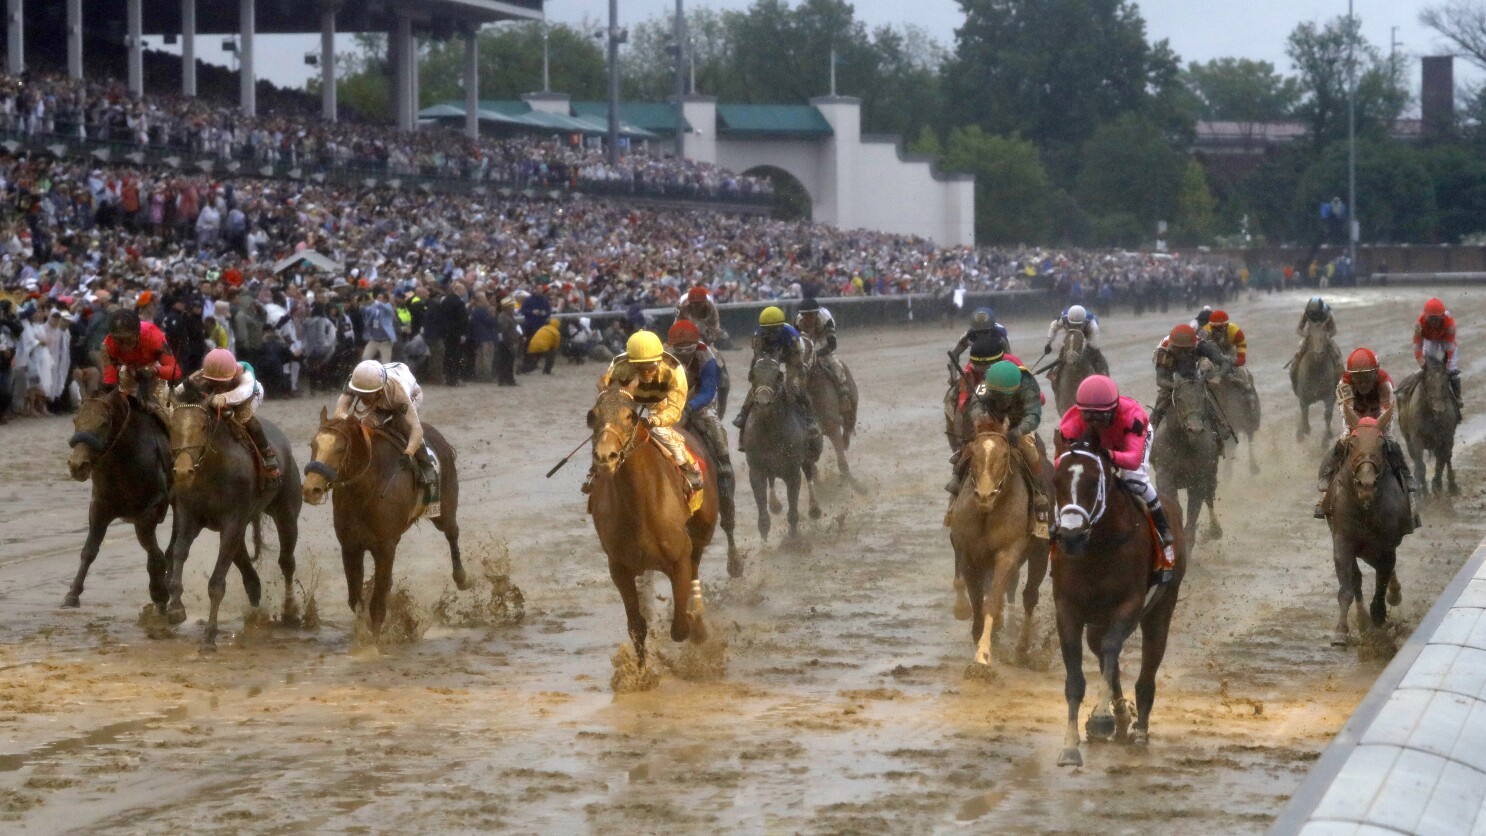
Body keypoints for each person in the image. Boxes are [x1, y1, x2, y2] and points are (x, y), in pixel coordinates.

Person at [1058, 375, 1176, 584]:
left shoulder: (1133, 417)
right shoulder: (1072, 421)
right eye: (1088, 416)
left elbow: (1132, 460)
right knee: (1071, 484)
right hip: (1099, 447)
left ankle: (1163, 531)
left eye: (1100, 417)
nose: (1093, 423)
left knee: (1135, 481)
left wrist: (1109, 456)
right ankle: (1055, 530)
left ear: (1113, 410)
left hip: (1127, 442)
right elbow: (1061, 462)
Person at [1314, 348, 1419, 528]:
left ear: (1375, 373)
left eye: (1367, 377)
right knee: (1345, 440)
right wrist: (1354, 431)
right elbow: (1346, 411)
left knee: (1390, 442)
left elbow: (1387, 412)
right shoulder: (1343, 384)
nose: (1362, 383)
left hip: (1379, 417)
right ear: (1350, 376)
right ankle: (1325, 491)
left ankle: (1408, 489)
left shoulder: (1385, 384)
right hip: (1354, 416)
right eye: (1357, 378)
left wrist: (1375, 432)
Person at [589, 330, 704, 493]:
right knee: (607, 426)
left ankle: (687, 468)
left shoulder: (673, 370)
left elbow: (675, 409)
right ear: (631, 362)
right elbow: (607, 397)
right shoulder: (619, 366)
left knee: (660, 431)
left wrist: (654, 420)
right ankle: (595, 468)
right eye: (639, 366)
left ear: (660, 360)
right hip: (629, 396)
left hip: (659, 400)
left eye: (651, 365)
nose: (646, 371)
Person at [954, 359, 1050, 528]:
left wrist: (1018, 431)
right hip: (991, 421)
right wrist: (979, 420)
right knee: (972, 446)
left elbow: (1033, 415)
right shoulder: (988, 381)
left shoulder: (1028, 385)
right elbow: (975, 404)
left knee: (1029, 449)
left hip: (1019, 424)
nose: (998, 399)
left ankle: (1039, 493)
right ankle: (957, 480)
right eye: (995, 395)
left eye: (1002, 396)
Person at [732, 306, 822, 453]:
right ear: (762, 329)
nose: (771, 334)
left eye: (774, 330)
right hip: (768, 356)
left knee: (795, 386)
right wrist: (755, 375)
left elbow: (796, 363)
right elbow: (758, 359)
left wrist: (794, 378)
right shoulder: (758, 336)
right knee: (760, 386)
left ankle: (809, 419)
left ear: (781, 327)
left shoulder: (792, 336)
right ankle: (743, 417)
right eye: (768, 330)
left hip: (791, 355)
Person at [333, 359, 436, 488]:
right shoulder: (355, 381)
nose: (362, 397)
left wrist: (409, 452)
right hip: (382, 400)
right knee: (365, 425)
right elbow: (339, 412)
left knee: (401, 424)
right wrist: (353, 423)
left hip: (409, 395)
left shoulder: (398, 392)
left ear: (379, 390)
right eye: (359, 393)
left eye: (366, 395)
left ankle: (426, 465)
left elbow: (416, 428)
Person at [666, 319, 733, 502]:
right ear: (672, 347)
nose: (684, 354)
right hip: (672, 401)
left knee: (714, 425)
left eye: (688, 348)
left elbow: (709, 390)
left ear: (696, 345)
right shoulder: (663, 357)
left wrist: (689, 407)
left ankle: (724, 466)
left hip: (699, 401)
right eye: (679, 349)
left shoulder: (707, 356)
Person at [186, 348, 279, 480]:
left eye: (220, 381)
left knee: (245, 419)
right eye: (213, 381)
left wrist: (224, 398)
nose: (217, 384)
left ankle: (268, 455)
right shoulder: (209, 371)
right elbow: (185, 386)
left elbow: (242, 393)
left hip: (250, 396)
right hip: (221, 395)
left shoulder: (246, 377)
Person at [101, 309, 181, 418]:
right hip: (128, 369)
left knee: (167, 412)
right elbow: (110, 379)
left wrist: (156, 371)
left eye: (128, 339)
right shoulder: (107, 344)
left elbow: (175, 371)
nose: (123, 345)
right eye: (118, 340)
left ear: (138, 334)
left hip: (153, 367)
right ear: (111, 336)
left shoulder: (154, 337)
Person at [1150, 323, 1229, 431]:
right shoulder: (1164, 350)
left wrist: (1218, 376)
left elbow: (1224, 361)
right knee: (1163, 397)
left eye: (1186, 350)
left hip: (1192, 366)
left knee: (1203, 390)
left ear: (1193, 346)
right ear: (1173, 347)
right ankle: (1152, 429)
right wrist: (1176, 386)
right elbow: (1160, 380)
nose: (1183, 353)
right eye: (1180, 350)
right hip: (1170, 365)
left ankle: (1219, 424)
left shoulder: (1201, 345)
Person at [796, 297, 851, 406]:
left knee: (832, 361)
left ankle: (843, 391)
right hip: (806, 335)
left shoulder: (826, 320)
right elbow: (796, 344)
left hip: (822, 334)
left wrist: (816, 354)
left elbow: (832, 345)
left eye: (811, 315)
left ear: (816, 313)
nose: (807, 319)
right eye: (805, 316)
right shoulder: (798, 321)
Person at [1413, 297, 1461, 418]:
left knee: (1452, 370)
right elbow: (1418, 346)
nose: (1434, 322)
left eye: (1437, 319)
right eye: (1431, 319)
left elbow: (1449, 348)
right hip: (1430, 340)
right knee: (1428, 369)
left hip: (1446, 340)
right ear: (1425, 317)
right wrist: (1421, 363)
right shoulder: (1419, 324)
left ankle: (1457, 397)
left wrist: (1446, 365)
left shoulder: (1450, 324)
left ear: (1442, 317)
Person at [1043, 304, 1109, 379]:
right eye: (1073, 325)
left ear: (1084, 322)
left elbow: (1094, 343)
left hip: (1087, 335)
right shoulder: (1062, 319)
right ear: (1068, 321)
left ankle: (1102, 374)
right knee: (1064, 350)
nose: (1076, 327)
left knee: (1095, 353)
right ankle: (1056, 373)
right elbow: (1053, 328)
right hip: (1070, 334)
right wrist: (1048, 344)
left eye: (1078, 325)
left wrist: (1085, 347)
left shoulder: (1093, 325)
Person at [1200, 309, 1254, 393]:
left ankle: (1250, 395)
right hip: (1211, 354)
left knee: (1242, 373)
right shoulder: (1204, 332)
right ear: (1210, 326)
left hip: (1230, 352)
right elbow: (1200, 354)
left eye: (1221, 328)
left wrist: (1229, 361)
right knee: (1203, 366)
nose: (1218, 332)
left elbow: (1242, 359)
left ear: (1227, 326)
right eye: (1215, 328)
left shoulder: (1236, 332)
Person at [1291, 296, 1340, 369]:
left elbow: (1334, 330)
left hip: (1325, 338)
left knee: (1336, 355)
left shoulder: (1328, 314)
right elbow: (1299, 329)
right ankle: (1294, 372)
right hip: (1310, 337)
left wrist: (1327, 336)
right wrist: (1307, 335)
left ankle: (1339, 372)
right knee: (1297, 355)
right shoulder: (1305, 314)